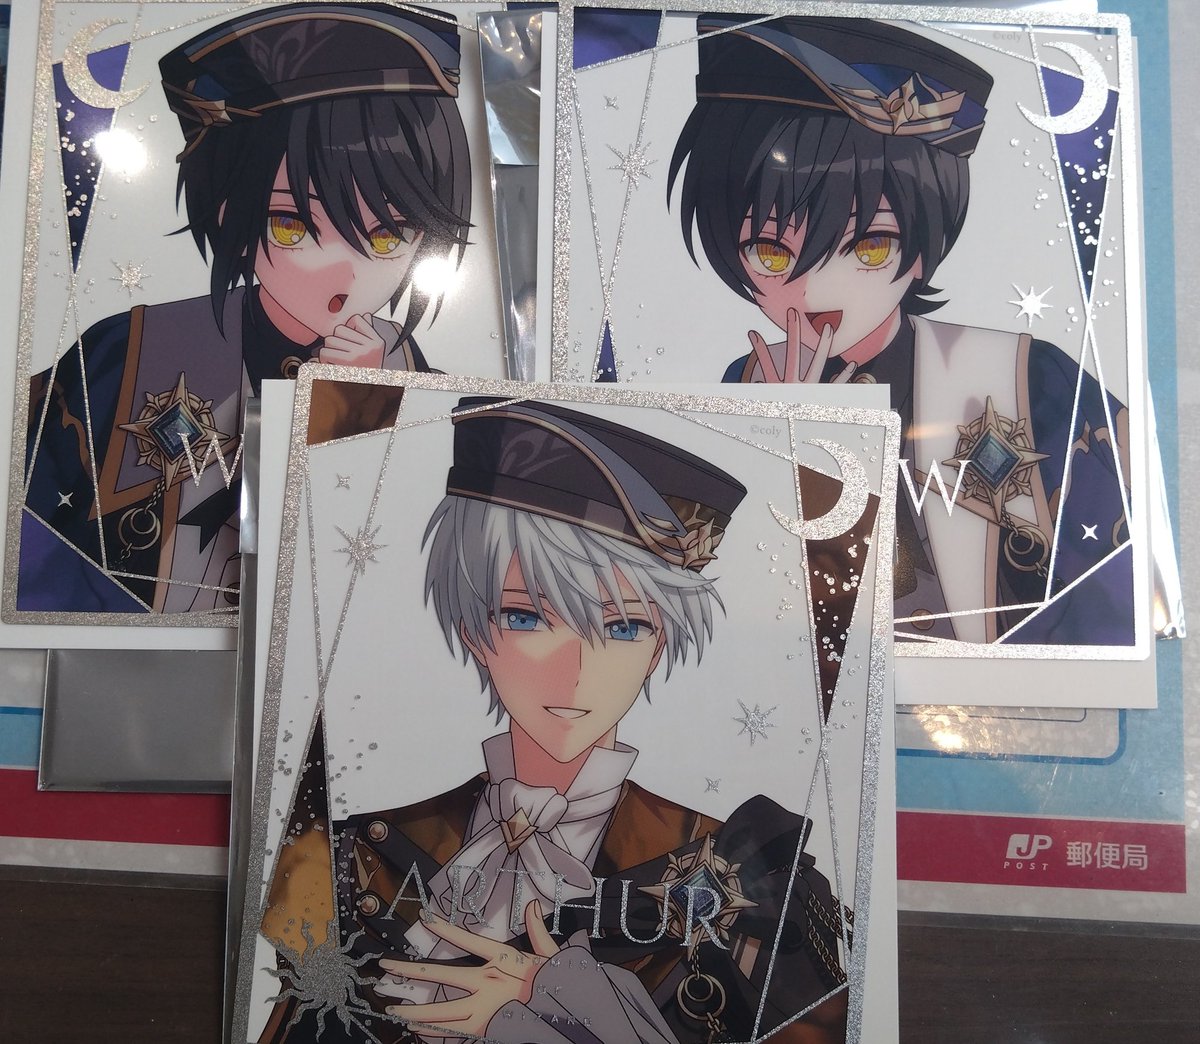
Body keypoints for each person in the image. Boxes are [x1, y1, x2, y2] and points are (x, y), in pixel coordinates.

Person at [259, 397, 851, 1043]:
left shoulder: (744, 876)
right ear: (475, 629)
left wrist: (562, 1016)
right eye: (528, 617)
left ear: (658, 646)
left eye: (623, 627)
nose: (576, 670)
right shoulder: (359, 858)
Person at [668, 16, 1133, 646]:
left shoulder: (1024, 378)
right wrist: (781, 435)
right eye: (773, 253)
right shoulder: (746, 385)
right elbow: (718, 595)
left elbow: (1113, 591)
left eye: (870, 246)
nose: (817, 292)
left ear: (922, 252)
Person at [18, 3, 471, 615]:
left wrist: (357, 403)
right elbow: (30, 547)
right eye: (291, 225)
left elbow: (422, 575)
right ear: (229, 210)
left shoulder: (417, 383)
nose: (339, 276)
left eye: (387, 235)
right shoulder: (129, 352)